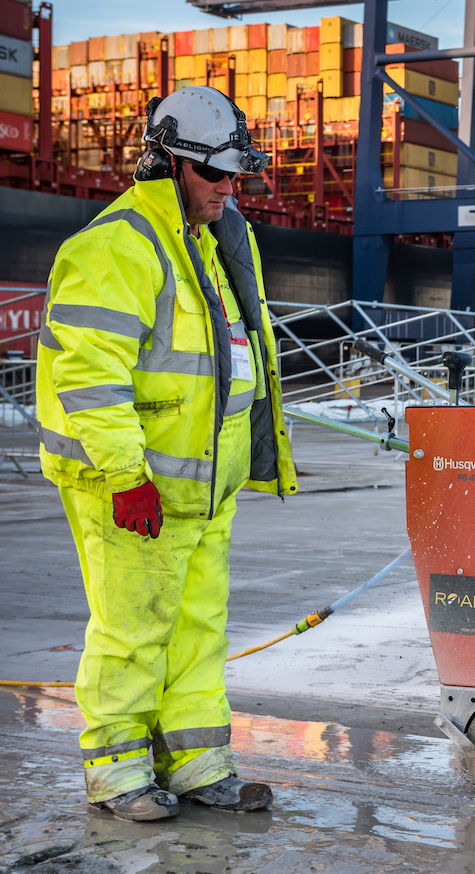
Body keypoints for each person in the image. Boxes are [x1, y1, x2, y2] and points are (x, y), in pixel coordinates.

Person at [34, 87, 298, 821]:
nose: (227, 187)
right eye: (213, 173)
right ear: (170, 164)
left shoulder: (209, 247)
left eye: (234, 175)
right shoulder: (117, 246)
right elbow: (86, 374)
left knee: (196, 629)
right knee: (131, 628)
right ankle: (117, 773)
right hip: (135, 486)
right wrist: (126, 475)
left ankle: (197, 764)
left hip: (203, 491)